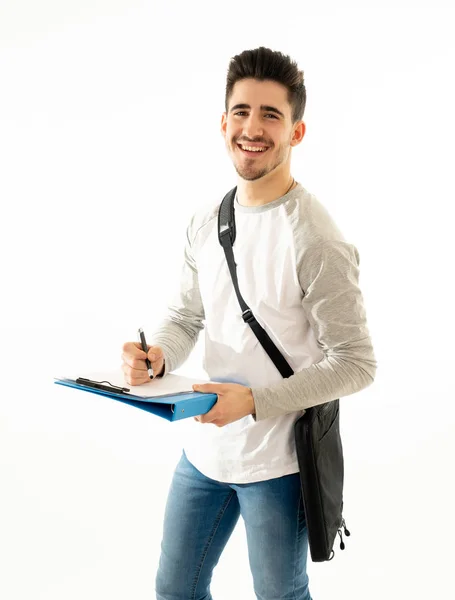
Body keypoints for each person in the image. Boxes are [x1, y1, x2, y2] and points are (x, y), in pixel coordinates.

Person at [121, 46, 377, 600]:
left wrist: (254, 402)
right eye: (241, 112)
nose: (252, 128)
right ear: (223, 122)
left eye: (270, 115)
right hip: (206, 453)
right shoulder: (206, 219)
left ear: (296, 132)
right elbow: (188, 314)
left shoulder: (316, 238)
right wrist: (160, 354)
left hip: (280, 463)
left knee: (279, 595)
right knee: (175, 589)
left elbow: (356, 365)